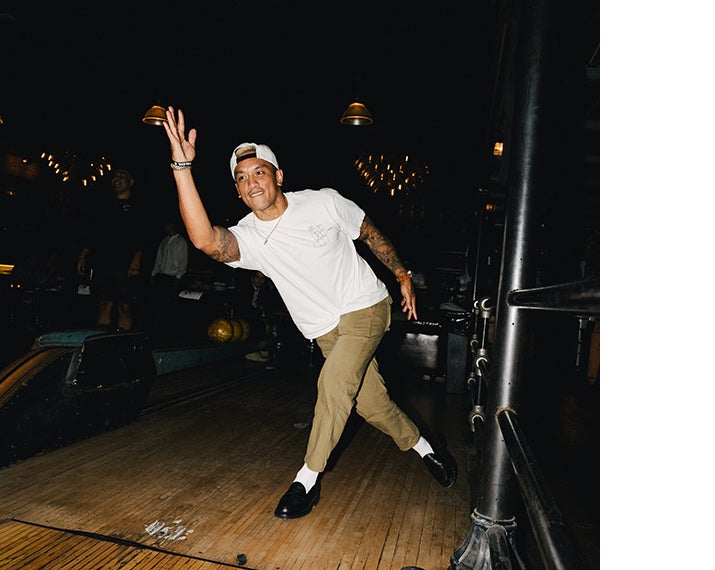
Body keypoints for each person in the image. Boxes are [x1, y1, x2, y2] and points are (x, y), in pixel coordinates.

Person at [156, 107, 454, 519]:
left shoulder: (323, 203)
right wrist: (182, 167)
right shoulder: (249, 236)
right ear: (238, 192)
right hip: (324, 330)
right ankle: (425, 447)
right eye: (241, 178)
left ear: (279, 176)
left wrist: (401, 272)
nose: (250, 182)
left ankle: (306, 481)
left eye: (259, 172)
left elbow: (368, 231)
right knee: (372, 405)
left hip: (365, 306)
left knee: (333, 386)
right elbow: (205, 241)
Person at [78, 166, 149, 330]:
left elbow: (143, 235)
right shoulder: (103, 205)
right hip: (103, 263)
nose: (116, 179)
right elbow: (93, 233)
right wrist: (82, 256)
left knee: (125, 307)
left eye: (122, 176)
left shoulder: (138, 207)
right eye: (115, 176)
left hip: (126, 266)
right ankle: (101, 343)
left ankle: (123, 343)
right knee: (103, 304)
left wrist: (137, 259)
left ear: (131, 182)